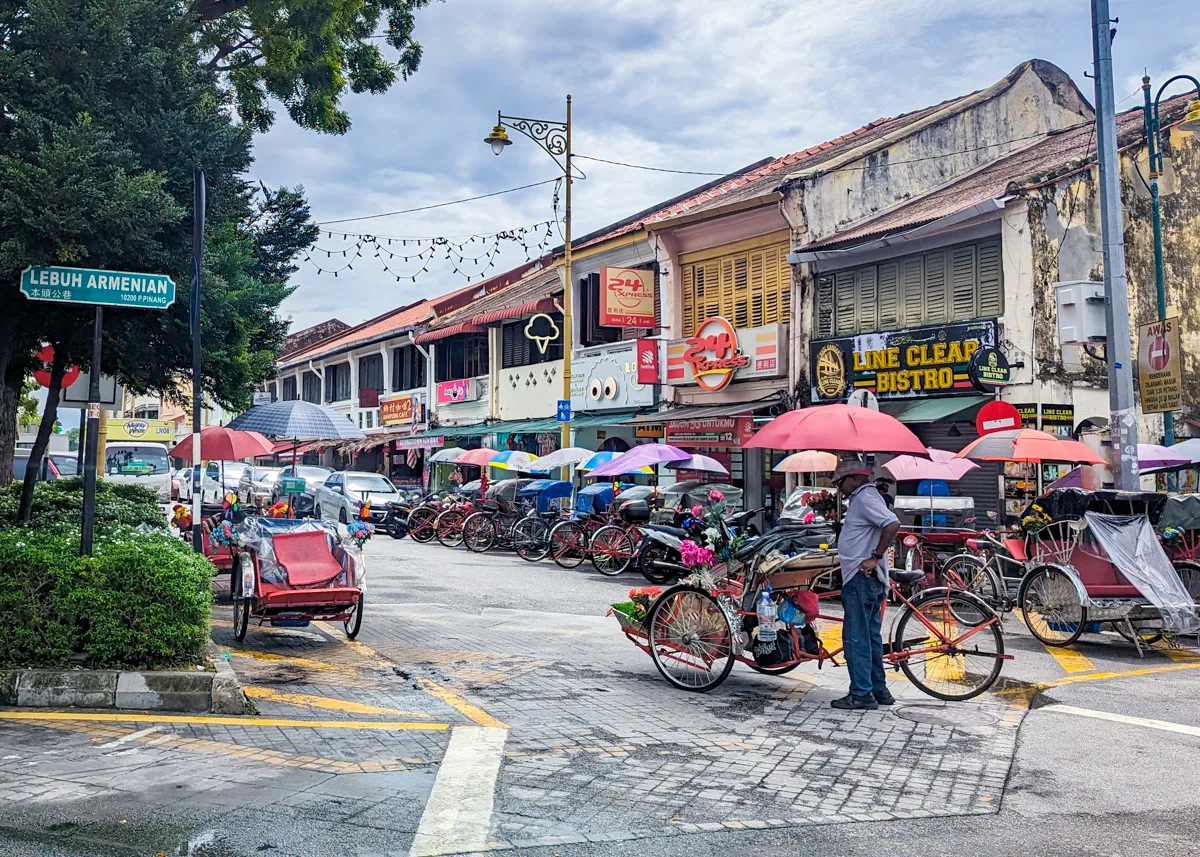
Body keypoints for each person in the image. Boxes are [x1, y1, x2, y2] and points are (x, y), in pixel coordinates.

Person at [830, 459, 901, 711]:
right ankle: (878, 688)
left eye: (841, 483)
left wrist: (876, 556)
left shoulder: (865, 496)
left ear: (854, 478)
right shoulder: (864, 497)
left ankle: (861, 693)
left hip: (861, 578)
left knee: (856, 637)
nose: (840, 489)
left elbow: (892, 524)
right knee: (869, 636)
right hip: (865, 579)